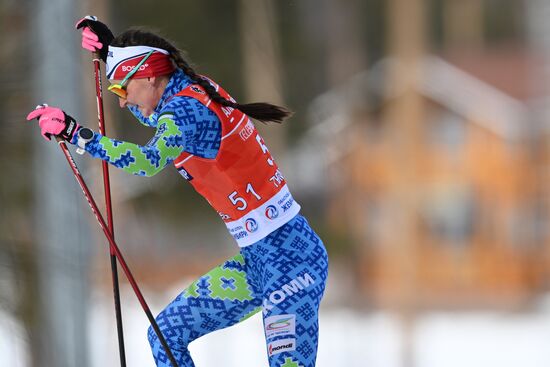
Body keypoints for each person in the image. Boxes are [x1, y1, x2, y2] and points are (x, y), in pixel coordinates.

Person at [26, 16, 328, 367]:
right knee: (166, 334)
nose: (122, 102)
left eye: (122, 88)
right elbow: (153, 116)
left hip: (291, 261)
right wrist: (109, 50)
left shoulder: (185, 111)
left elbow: (148, 160)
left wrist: (79, 135)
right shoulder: (183, 95)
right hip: (256, 262)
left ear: (150, 72)